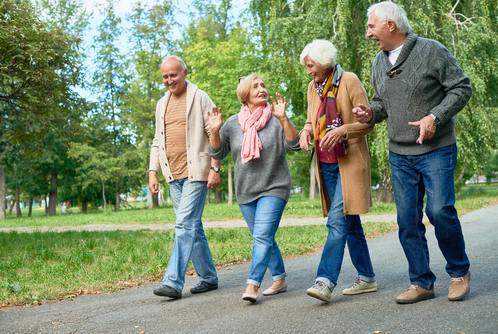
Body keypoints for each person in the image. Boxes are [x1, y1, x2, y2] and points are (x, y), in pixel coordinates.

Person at [353, 2, 472, 304]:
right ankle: (421, 282)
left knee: (440, 211)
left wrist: (435, 117)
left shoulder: (431, 50)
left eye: (371, 27)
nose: (368, 34)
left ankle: (459, 272)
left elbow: (461, 88)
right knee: (407, 220)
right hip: (400, 153)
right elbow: (383, 106)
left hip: (436, 148)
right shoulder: (379, 63)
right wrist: (371, 113)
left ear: (390, 26)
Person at [207, 74, 300, 302]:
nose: (262, 89)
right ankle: (280, 279)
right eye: (256, 86)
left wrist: (285, 119)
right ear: (245, 94)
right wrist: (215, 131)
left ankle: (253, 285)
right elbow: (217, 153)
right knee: (263, 237)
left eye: (264, 85)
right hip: (246, 190)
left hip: (274, 186)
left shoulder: (276, 117)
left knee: (261, 236)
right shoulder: (231, 123)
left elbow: (295, 145)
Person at [298, 40, 377, 303]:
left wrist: (344, 129)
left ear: (323, 62)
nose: (308, 71)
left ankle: (324, 281)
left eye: (310, 65)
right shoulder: (313, 87)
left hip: (349, 164)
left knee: (336, 222)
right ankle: (367, 278)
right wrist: (306, 131)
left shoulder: (349, 80)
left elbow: (368, 123)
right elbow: (311, 119)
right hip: (326, 165)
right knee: (349, 222)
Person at [149, 55, 221, 300]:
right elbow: (157, 141)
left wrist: (215, 168)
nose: (169, 80)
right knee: (193, 227)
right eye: (165, 77)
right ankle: (209, 277)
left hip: (196, 173)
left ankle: (172, 282)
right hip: (173, 175)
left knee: (183, 225)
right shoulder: (161, 104)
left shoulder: (199, 97)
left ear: (184, 72)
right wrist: (153, 172)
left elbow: (215, 132)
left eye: (173, 75)